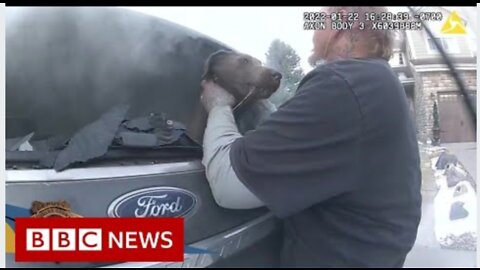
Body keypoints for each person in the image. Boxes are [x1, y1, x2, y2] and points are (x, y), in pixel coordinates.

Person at [200, 6, 422, 267]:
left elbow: (229, 184)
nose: (312, 29)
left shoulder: (343, 84)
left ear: (340, 20)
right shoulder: (378, 82)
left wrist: (218, 106)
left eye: (318, 19)